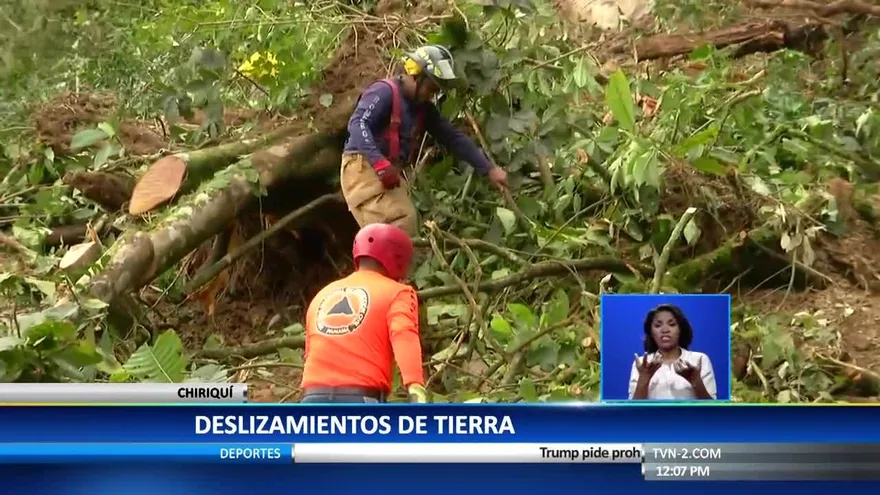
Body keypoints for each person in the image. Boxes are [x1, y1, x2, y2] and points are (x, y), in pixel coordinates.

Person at [341, 44, 509, 236]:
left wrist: (489, 169)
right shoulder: (384, 92)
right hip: (362, 168)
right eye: (431, 87)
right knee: (399, 224)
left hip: (384, 171)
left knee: (403, 233)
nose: (433, 94)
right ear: (415, 75)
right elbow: (357, 124)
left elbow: (453, 138)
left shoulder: (423, 109)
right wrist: (379, 163)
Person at [299, 223, 428, 403]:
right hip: (360, 400)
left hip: (312, 399)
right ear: (399, 257)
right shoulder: (398, 292)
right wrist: (415, 387)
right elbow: (404, 335)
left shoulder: (324, 294)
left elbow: (310, 352)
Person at [628, 304, 717, 400]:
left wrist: (696, 381)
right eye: (658, 325)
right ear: (651, 333)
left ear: (681, 329)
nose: (665, 330)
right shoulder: (642, 364)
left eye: (672, 324)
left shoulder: (699, 359)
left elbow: (712, 408)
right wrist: (644, 379)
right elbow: (632, 410)